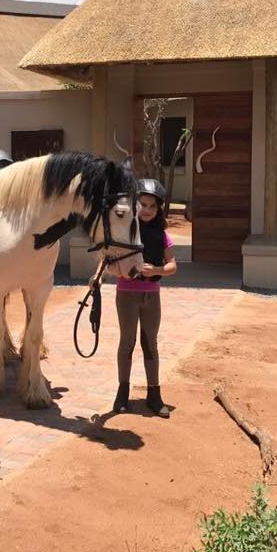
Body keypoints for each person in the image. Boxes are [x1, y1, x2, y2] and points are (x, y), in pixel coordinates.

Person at [111, 178, 177, 418]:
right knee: (126, 342)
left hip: (151, 295)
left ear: (159, 209)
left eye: (152, 206)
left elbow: (173, 266)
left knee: (150, 343)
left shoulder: (162, 235)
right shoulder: (125, 233)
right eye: (142, 205)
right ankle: (122, 393)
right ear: (134, 206)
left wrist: (157, 270)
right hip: (127, 294)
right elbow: (110, 262)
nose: (147, 210)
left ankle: (154, 394)